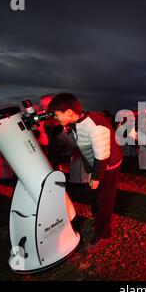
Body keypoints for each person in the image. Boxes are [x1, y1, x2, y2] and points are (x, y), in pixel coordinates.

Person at [48, 93, 123, 252]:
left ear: (69, 112)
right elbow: (86, 148)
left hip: (108, 165)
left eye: (56, 114)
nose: (55, 118)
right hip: (97, 163)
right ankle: (98, 223)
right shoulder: (77, 121)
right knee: (95, 197)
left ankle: (104, 235)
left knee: (104, 200)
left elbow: (102, 156)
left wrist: (96, 177)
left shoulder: (95, 126)